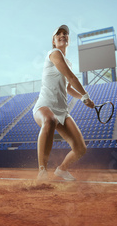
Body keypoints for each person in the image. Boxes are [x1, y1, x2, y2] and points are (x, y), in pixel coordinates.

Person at [32, 24, 95, 181]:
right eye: (58, 33)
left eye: (65, 33)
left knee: (80, 149)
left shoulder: (69, 62)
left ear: (68, 39)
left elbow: (68, 87)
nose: (62, 35)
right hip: (44, 106)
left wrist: (81, 98)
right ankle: (42, 171)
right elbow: (73, 78)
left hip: (62, 110)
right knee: (49, 120)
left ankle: (62, 169)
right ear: (54, 41)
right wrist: (86, 95)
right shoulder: (54, 53)